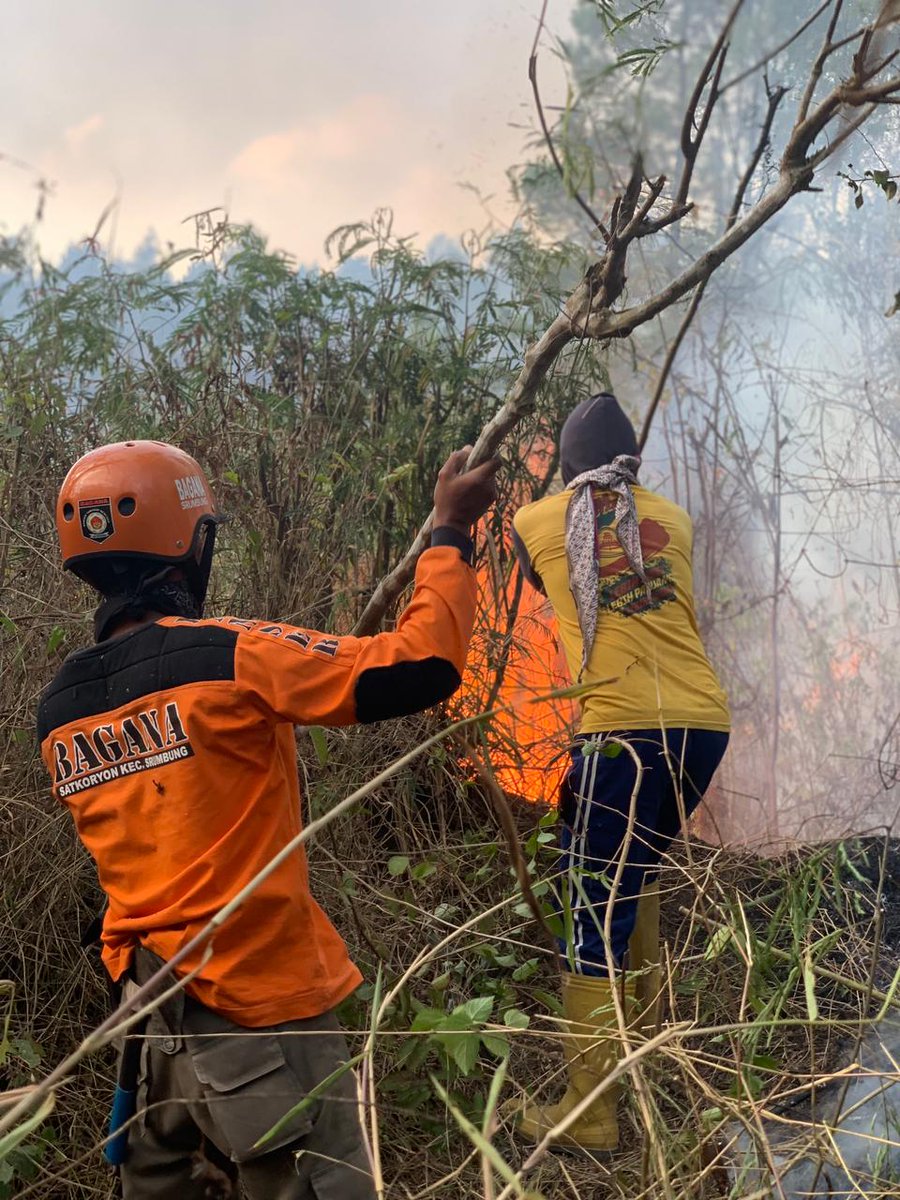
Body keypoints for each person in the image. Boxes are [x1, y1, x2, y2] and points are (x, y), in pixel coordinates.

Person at [38, 438, 499, 1199]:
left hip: (150, 1027)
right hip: (262, 1018)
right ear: (184, 545)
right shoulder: (227, 656)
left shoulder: (58, 710)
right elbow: (422, 668)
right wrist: (449, 532)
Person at [510, 392, 730, 1153]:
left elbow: (552, 585)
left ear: (566, 470)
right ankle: (641, 1054)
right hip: (703, 725)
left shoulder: (535, 522)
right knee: (633, 876)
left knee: (595, 908)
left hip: (622, 735)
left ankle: (592, 1111)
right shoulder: (676, 518)